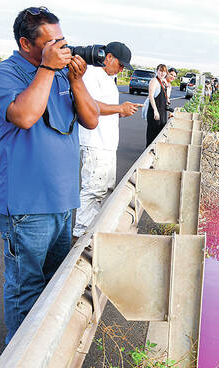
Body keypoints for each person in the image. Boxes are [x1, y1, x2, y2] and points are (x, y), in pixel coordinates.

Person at [0, 6, 99, 343]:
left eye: (62, 40)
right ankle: (16, 359)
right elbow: (24, 116)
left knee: (54, 281)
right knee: (25, 284)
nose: (62, 48)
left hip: (63, 200)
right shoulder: (5, 75)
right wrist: (48, 69)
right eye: (52, 42)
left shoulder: (64, 75)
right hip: (26, 205)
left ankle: (43, 346)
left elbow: (91, 119)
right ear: (25, 43)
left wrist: (76, 80)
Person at [74, 42, 142, 239]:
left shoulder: (108, 78)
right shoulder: (91, 74)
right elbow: (88, 105)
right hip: (95, 142)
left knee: (105, 190)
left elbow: (104, 108)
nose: (121, 70)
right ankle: (81, 235)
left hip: (107, 143)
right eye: (120, 65)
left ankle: (96, 234)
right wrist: (119, 109)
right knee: (94, 190)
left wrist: (119, 112)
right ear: (109, 57)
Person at [145, 63, 170, 146]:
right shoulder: (154, 81)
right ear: (157, 71)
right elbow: (151, 96)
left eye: (164, 72)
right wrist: (155, 111)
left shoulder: (164, 82)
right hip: (155, 111)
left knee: (159, 132)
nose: (162, 73)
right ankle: (148, 153)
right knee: (152, 134)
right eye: (160, 71)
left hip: (162, 111)